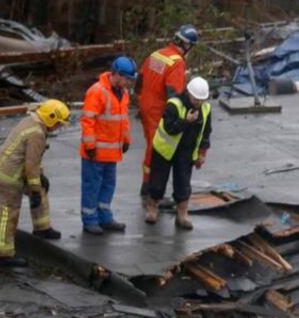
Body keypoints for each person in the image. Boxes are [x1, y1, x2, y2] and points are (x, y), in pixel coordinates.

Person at [0, 100, 69, 268]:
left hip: (15, 170)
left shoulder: (34, 120)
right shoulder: (37, 133)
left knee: (40, 189)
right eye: (58, 124)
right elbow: (31, 164)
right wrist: (34, 188)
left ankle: (42, 228)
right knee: (9, 212)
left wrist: (39, 181)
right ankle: (4, 254)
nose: (58, 127)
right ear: (51, 119)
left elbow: (35, 159)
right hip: (10, 176)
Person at [136, 24, 196, 201]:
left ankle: (147, 185)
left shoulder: (156, 54)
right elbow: (174, 96)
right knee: (158, 150)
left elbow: (139, 82)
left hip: (146, 106)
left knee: (150, 146)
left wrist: (141, 104)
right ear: (187, 45)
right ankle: (151, 190)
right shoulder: (177, 63)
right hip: (159, 111)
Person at [144, 76, 212, 231]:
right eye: (196, 99)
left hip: (186, 152)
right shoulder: (174, 105)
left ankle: (182, 214)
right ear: (189, 93)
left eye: (202, 99)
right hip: (164, 150)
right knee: (157, 182)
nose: (199, 103)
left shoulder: (206, 109)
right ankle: (152, 208)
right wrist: (186, 121)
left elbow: (206, 132)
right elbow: (170, 128)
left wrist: (202, 153)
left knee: (183, 183)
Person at [81, 56, 135, 235]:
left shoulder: (123, 93)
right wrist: (90, 144)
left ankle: (104, 216)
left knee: (108, 185)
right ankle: (89, 219)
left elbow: (123, 120)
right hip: (95, 152)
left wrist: (126, 140)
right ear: (117, 74)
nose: (129, 82)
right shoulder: (97, 92)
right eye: (127, 78)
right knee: (92, 186)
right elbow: (88, 120)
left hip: (111, 152)